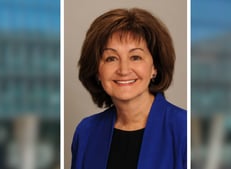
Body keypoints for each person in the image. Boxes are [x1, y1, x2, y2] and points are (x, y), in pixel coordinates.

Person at [71, 8, 187, 169]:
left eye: (135, 57)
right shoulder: (86, 132)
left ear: (155, 67)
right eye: (111, 58)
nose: (124, 70)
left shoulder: (183, 129)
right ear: (97, 71)